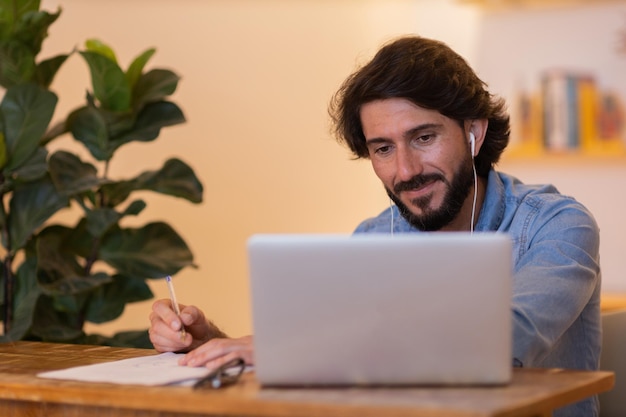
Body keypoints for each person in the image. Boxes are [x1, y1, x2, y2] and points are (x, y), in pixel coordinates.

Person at [149, 35, 601, 417]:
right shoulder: (371, 240)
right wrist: (215, 345)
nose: (405, 170)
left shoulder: (558, 226)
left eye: (423, 138)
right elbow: (322, 362)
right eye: (383, 149)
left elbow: (498, 341)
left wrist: (311, 350)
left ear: (473, 133)